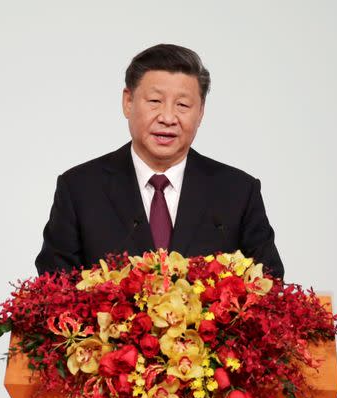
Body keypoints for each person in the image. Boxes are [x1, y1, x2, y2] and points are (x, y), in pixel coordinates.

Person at [35, 44, 284, 279]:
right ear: (128, 102)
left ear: (201, 112)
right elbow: (55, 290)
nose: (167, 117)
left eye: (183, 105)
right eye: (155, 101)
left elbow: (271, 286)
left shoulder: (238, 191)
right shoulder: (79, 189)